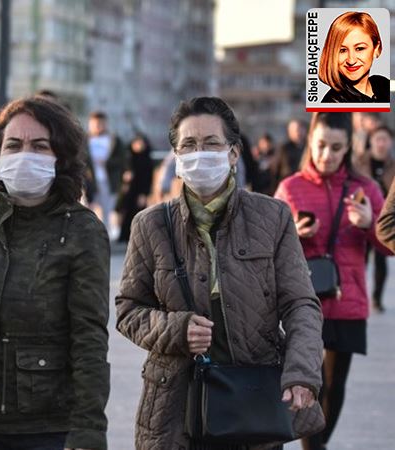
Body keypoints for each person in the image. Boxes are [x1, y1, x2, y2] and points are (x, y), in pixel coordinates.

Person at [116, 97, 324, 449]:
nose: (200, 153)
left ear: (233, 152)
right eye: (189, 145)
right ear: (177, 156)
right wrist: (176, 329)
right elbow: (128, 310)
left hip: (252, 399)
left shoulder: (272, 217)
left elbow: (301, 303)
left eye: (211, 143)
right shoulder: (150, 225)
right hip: (173, 407)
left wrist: (301, 372)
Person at [0, 97, 110, 450]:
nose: (24, 154)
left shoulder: (82, 229)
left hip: (45, 428)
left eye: (39, 146)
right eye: (13, 145)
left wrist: (88, 432)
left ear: (60, 157)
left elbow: (89, 338)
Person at [274, 112, 390, 450]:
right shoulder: (290, 187)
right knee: (308, 382)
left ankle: (317, 445)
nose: (327, 155)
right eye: (321, 145)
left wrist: (370, 223)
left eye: (336, 148)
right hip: (302, 301)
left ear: (348, 148)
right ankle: (315, 447)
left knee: (334, 384)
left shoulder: (365, 188)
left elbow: (389, 244)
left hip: (347, 299)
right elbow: (266, 248)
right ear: (310, 142)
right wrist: (292, 233)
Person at [354, 125, 394, 312]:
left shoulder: (393, 165)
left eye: (385, 139)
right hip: (360, 217)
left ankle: (376, 297)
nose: (381, 143)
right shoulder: (360, 163)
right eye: (378, 139)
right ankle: (358, 293)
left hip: (384, 218)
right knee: (360, 259)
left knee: (381, 262)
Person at [319, 11, 389, 103]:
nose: (351, 60)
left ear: (376, 48)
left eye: (359, 48)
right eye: (342, 50)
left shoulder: (382, 84)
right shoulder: (333, 102)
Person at [87, 111, 125, 234]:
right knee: (89, 209)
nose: (97, 127)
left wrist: (107, 162)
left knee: (107, 211)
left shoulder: (114, 140)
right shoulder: (84, 140)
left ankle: (105, 236)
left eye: (100, 124)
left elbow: (122, 159)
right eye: (95, 124)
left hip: (108, 180)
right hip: (89, 181)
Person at [116, 132, 154, 243]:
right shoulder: (129, 158)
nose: (138, 146)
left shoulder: (147, 160)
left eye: (140, 143)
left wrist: (144, 194)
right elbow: (122, 173)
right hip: (128, 192)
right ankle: (124, 236)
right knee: (126, 213)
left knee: (138, 214)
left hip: (140, 192)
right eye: (136, 143)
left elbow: (148, 179)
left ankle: (137, 237)